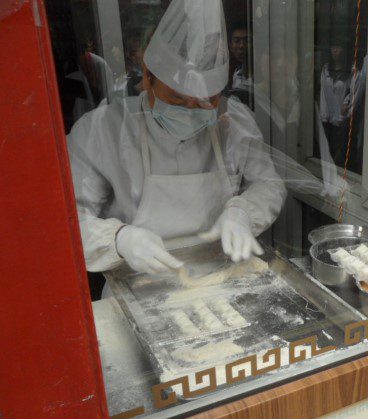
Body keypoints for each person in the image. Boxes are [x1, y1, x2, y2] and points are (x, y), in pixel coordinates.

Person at [67, 0, 286, 277]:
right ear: (148, 77)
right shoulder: (103, 130)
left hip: (223, 275)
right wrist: (118, 239)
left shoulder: (235, 121)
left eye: (207, 100)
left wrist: (243, 212)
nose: (192, 110)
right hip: (138, 280)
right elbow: (67, 218)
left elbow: (269, 184)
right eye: (178, 99)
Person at [319, 38, 351, 167]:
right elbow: (323, 93)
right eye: (333, 47)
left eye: (338, 47)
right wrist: (323, 114)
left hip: (342, 121)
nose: (335, 50)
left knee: (341, 155)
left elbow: (353, 93)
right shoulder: (326, 68)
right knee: (328, 152)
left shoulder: (352, 70)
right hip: (328, 119)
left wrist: (345, 108)